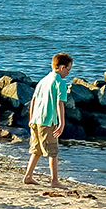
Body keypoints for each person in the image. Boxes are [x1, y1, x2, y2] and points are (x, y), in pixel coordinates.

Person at [22, 52, 72, 187]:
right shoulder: (59, 82)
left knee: (36, 149)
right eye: (68, 69)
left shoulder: (43, 80)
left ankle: (28, 176)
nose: (68, 72)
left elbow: (33, 100)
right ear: (61, 67)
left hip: (36, 119)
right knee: (53, 151)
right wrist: (61, 123)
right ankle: (55, 181)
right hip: (48, 120)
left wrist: (30, 118)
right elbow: (59, 103)